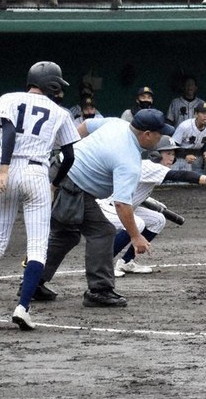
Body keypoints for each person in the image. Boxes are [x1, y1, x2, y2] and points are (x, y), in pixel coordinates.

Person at [0, 61, 80, 331]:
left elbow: (9, 132)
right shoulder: (61, 113)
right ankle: (23, 308)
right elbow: (69, 156)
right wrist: (55, 184)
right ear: (52, 84)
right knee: (37, 248)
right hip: (36, 173)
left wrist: (3, 170)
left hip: (7, 171)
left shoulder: (8, 98)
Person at [26, 108, 175, 308]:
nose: (162, 137)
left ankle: (32, 283)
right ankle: (99, 290)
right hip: (72, 186)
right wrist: (135, 236)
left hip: (60, 171)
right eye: (159, 133)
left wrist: (71, 151)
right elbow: (122, 204)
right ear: (147, 134)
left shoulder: (116, 123)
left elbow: (85, 127)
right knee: (103, 232)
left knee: (66, 235)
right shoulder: (129, 159)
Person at [101, 135, 206, 277]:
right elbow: (182, 175)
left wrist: (148, 200)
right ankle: (102, 265)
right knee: (138, 224)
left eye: (173, 154)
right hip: (107, 207)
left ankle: (126, 262)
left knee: (157, 220)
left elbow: (133, 190)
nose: (171, 157)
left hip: (125, 206)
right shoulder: (150, 166)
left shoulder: (151, 167)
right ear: (155, 154)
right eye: (168, 153)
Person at [171, 101, 206, 175]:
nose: (205, 116)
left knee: (196, 183)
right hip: (180, 158)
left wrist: (205, 151)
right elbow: (173, 145)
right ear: (196, 114)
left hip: (197, 158)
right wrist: (185, 155)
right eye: (202, 113)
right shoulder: (185, 126)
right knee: (177, 183)